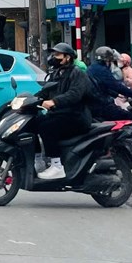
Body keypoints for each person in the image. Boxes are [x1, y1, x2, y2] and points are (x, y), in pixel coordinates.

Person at [29, 43, 92, 180]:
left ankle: (57, 166)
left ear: (67, 57)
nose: (54, 57)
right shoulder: (56, 73)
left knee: (47, 127)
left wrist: (54, 102)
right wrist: (30, 100)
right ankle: (39, 160)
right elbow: (46, 91)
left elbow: (74, 94)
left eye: (57, 55)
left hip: (76, 116)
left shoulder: (77, 73)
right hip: (61, 114)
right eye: (53, 54)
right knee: (32, 123)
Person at [87, 47, 132, 164]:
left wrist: (117, 95)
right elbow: (116, 85)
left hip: (95, 105)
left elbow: (103, 87)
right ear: (108, 60)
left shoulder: (92, 68)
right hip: (102, 106)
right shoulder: (103, 70)